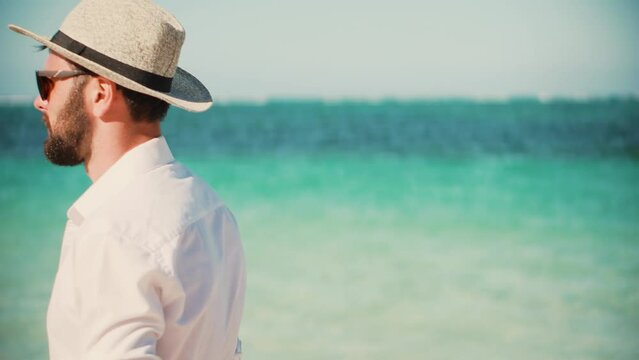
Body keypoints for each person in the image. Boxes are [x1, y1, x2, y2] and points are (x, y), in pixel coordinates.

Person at [8, 1, 246, 359]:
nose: (39, 102)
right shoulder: (212, 211)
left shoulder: (114, 232)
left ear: (101, 94)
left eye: (47, 85)